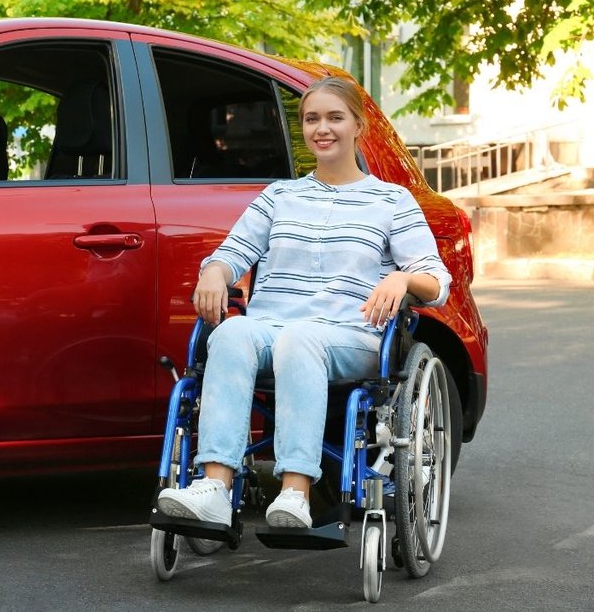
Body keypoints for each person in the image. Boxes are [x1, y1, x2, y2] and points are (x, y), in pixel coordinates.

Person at [156, 76, 452, 529]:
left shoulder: (392, 201)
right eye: (312, 119)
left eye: (335, 117)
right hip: (272, 326)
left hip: (348, 335)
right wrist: (213, 273)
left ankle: (296, 492)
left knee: (300, 338)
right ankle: (215, 486)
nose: (323, 128)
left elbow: (437, 282)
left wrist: (403, 277)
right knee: (232, 331)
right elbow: (230, 255)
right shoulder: (280, 196)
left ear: (359, 126)